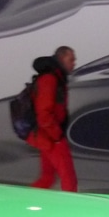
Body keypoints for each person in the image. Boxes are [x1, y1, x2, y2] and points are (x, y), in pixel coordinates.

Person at [27, 46, 77, 192]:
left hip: (46, 136)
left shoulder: (54, 78)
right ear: (61, 59)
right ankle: (71, 205)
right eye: (71, 60)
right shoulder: (50, 79)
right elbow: (44, 113)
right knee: (69, 179)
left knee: (47, 178)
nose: (74, 63)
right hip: (51, 137)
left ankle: (22, 200)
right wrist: (57, 136)